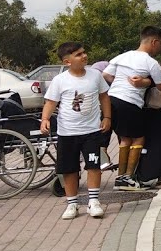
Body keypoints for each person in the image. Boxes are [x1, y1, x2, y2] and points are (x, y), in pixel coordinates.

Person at [40, 42, 111, 220]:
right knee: (69, 169)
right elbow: (51, 102)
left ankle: (93, 202)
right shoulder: (60, 80)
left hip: (92, 132)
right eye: (78, 54)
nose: (84, 56)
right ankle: (72, 203)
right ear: (67, 61)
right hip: (67, 133)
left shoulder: (95, 75)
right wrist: (45, 119)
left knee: (94, 165)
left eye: (84, 52)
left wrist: (107, 117)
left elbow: (104, 96)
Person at [103, 26, 161, 190]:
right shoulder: (150, 62)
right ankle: (127, 178)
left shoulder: (122, 56)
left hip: (113, 99)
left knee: (125, 138)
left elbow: (106, 75)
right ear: (154, 42)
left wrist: (120, 83)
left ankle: (121, 178)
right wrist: (146, 82)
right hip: (130, 102)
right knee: (139, 138)